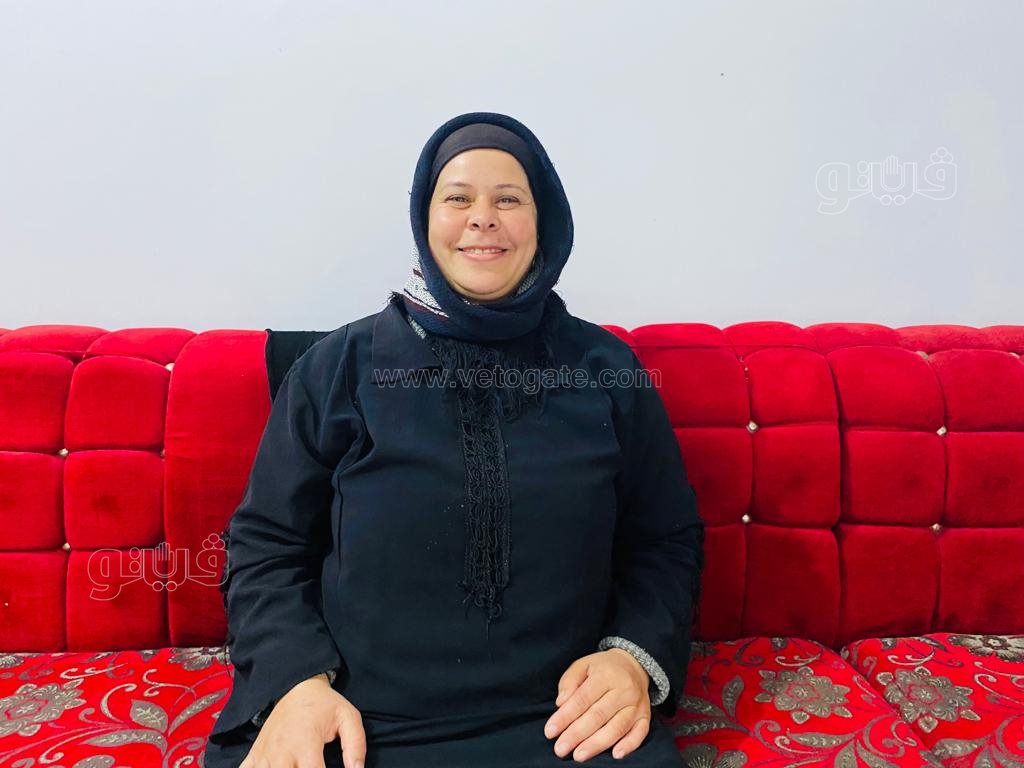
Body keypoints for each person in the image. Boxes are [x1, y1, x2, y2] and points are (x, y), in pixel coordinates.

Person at [203, 111, 705, 768]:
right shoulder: (338, 368)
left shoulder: (605, 370)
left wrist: (631, 657)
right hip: (357, 719)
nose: (482, 219)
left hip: (566, 723)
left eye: (509, 200)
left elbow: (665, 539)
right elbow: (266, 545)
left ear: (546, 220)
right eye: (459, 198)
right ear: (425, 217)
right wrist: (295, 681)